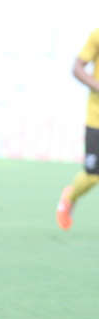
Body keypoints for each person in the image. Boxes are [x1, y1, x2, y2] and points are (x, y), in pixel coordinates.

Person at [56, 27, 99, 229]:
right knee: (92, 176)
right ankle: (70, 197)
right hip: (97, 118)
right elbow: (77, 68)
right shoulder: (97, 35)